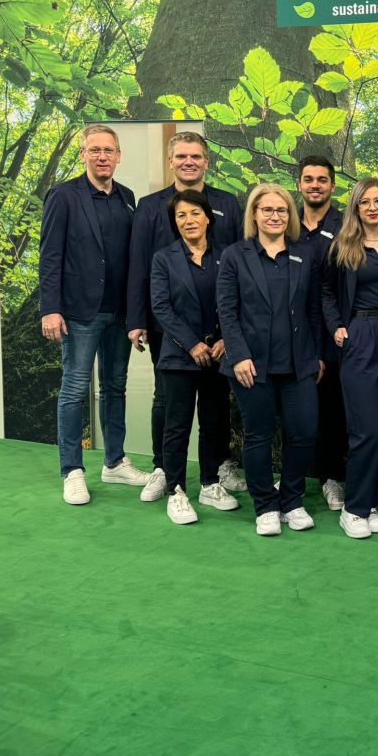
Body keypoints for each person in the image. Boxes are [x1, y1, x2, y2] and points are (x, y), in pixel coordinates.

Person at [126, 131, 244, 503]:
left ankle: (216, 471)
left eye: (196, 156)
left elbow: (237, 269)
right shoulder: (148, 206)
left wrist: (230, 332)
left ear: (206, 161)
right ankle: (164, 469)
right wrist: (137, 318)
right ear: (171, 160)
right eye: (181, 156)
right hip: (169, 324)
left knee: (215, 404)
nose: (188, 162)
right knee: (168, 400)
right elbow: (139, 266)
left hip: (217, 327)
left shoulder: (228, 203)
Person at [40, 124, 149, 504]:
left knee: (115, 387)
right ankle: (71, 470)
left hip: (119, 313)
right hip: (79, 312)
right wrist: (50, 309)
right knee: (73, 389)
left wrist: (137, 314)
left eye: (108, 150)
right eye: (94, 150)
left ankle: (114, 462)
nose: (102, 156)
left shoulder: (128, 197)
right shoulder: (63, 196)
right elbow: (51, 255)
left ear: (119, 156)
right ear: (83, 154)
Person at [216, 183, 324, 536]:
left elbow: (313, 309)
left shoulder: (305, 253)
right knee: (258, 435)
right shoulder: (235, 255)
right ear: (255, 215)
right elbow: (227, 312)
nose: (275, 216)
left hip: (298, 364)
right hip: (251, 366)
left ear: (289, 215)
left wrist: (317, 355)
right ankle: (264, 505)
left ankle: (291, 501)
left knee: (303, 433)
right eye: (267, 210)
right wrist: (238, 355)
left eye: (281, 210)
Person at [323, 178, 378, 539]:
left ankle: (370, 501)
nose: (373, 207)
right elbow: (326, 293)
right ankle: (354, 508)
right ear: (356, 207)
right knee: (368, 428)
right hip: (361, 336)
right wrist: (336, 327)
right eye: (365, 202)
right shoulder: (341, 246)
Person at [149, 189, 240, 524]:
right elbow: (161, 307)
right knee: (177, 425)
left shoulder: (227, 255)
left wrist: (223, 340)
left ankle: (209, 484)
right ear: (175, 223)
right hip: (179, 357)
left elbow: (235, 301)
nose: (189, 221)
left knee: (214, 423)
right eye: (181, 216)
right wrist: (191, 344)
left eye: (195, 213)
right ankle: (175, 490)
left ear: (208, 217)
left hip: (218, 355)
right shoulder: (164, 259)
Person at [296, 155, 347, 513]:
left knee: (332, 411)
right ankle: (296, 476)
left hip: (332, 332)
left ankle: (332, 478)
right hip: (292, 331)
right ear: (299, 183)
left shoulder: (346, 226)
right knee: (297, 411)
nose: (315, 185)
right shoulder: (284, 222)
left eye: (322, 180)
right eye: (309, 179)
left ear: (332, 185)